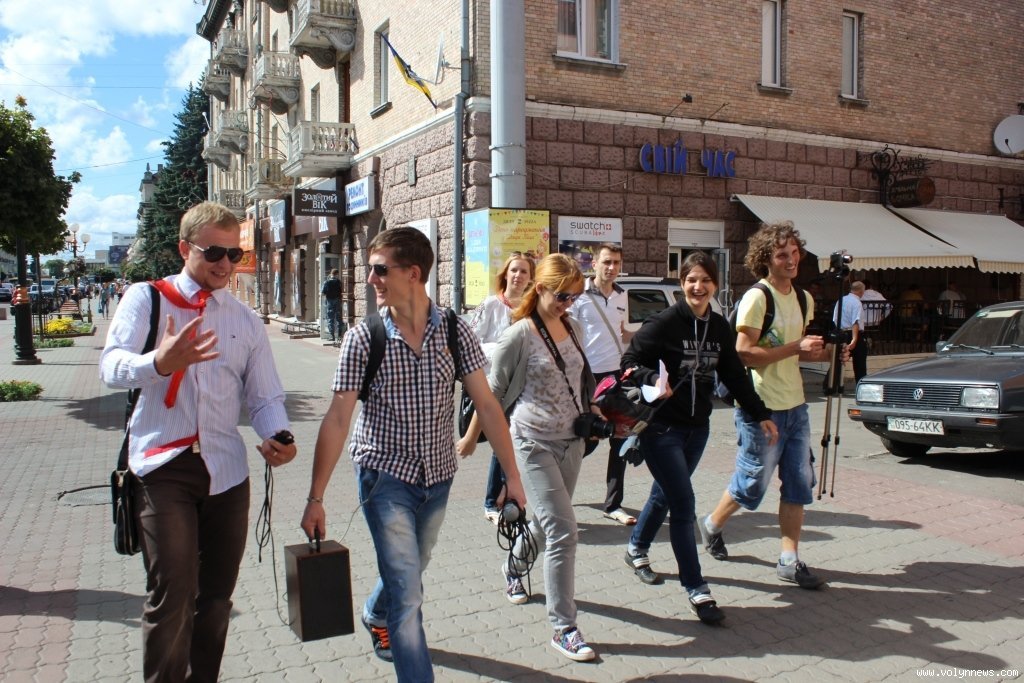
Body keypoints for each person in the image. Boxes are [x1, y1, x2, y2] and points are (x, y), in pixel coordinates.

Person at [300, 227, 525, 682]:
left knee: (412, 567)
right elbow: (338, 418)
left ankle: (374, 611)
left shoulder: (455, 331)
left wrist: (513, 480)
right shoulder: (364, 338)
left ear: (414, 274)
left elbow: (487, 405)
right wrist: (315, 497)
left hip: (438, 475)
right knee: (408, 592)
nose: (371, 279)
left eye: (380, 270)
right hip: (384, 476)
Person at [100, 201, 298, 682]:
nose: (225, 265)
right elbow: (110, 366)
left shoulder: (244, 320)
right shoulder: (147, 299)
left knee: (215, 600)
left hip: (226, 472)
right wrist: (158, 363)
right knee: (173, 595)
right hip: (163, 467)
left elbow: (265, 395)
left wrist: (278, 435)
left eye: (234, 254)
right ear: (185, 248)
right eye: (214, 253)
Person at [620, 252, 777, 624]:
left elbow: (735, 376)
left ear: (715, 285)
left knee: (665, 493)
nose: (698, 286)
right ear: (682, 283)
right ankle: (696, 588)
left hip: (698, 428)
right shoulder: (664, 322)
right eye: (691, 279)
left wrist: (761, 415)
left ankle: (636, 548)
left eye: (705, 280)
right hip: (662, 428)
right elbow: (628, 363)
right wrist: (651, 379)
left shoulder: (719, 327)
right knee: (683, 502)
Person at [460, 253, 599, 661]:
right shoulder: (518, 335)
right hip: (532, 442)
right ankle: (564, 627)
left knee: (543, 523)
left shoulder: (572, 327)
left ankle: (514, 567)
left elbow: (581, 379)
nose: (568, 304)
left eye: (574, 297)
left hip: (571, 441)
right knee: (563, 531)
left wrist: (596, 410)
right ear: (540, 289)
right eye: (562, 296)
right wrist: (470, 437)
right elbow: (492, 394)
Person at [699, 220, 846, 589]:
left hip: (796, 405)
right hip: (760, 408)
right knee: (752, 484)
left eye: (795, 252)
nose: (791, 260)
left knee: (799, 483)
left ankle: (788, 559)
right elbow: (744, 353)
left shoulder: (803, 298)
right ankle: (712, 523)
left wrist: (831, 353)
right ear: (766, 259)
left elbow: (799, 353)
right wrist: (797, 346)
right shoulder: (757, 298)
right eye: (782, 254)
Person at [465, 252, 535, 523]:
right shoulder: (491, 304)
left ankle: (511, 498)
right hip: (495, 386)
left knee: (516, 441)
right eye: (514, 270)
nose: (518, 276)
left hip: (524, 386)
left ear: (531, 278)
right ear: (505, 274)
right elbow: (470, 343)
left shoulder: (531, 307)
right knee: (502, 442)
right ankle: (492, 502)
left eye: (524, 271)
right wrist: (500, 351)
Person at [569, 242, 635, 526]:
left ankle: (613, 504)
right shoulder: (579, 294)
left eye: (616, 263)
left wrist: (647, 335)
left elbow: (621, 333)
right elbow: (569, 334)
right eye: (607, 262)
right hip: (587, 378)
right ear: (594, 264)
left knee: (620, 439)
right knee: (584, 440)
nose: (612, 268)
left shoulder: (622, 295)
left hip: (615, 376)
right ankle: (555, 492)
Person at [834, 280, 865, 383]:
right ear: (861, 291)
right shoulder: (857, 302)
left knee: (838, 360)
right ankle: (860, 384)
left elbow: (835, 319)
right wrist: (854, 339)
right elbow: (855, 321)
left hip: (842, 332)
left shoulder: (841, 300)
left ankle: (829, 384)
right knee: (859, 362)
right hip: (853, 334)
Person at [321, 268, 342, 341]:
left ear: (331, 273)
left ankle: (332, 336)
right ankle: (340, 335)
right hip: (338, 300)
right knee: (339, 318)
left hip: (329, 301)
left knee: (330, 318)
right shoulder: (339, 282)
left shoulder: (327, 282)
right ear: (337, 274)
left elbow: (323, 293)